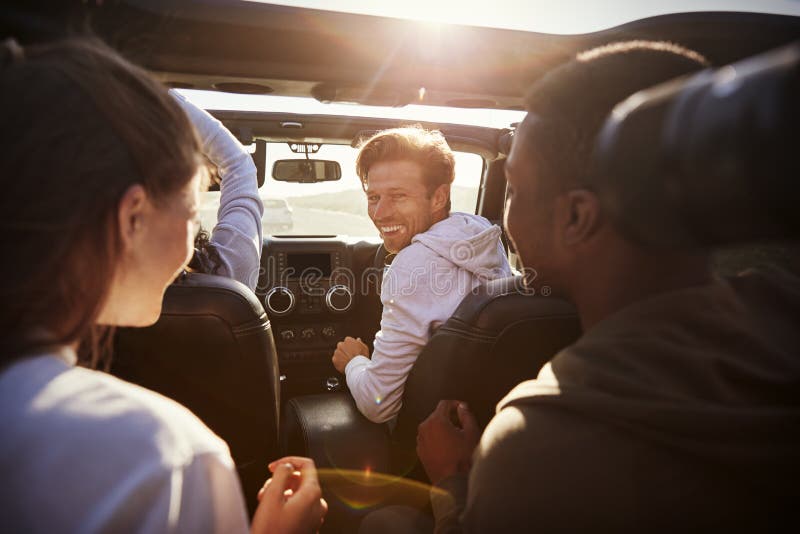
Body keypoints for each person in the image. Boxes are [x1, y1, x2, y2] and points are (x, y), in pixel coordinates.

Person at [414, 40, 800, 532]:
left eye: (512, 188)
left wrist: (453, 481)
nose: (505, 212)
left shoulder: (535, 445)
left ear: (575, 216)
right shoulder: (782, 312)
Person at [0, 37, 325, 532]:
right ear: (132, 217)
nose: (193, 238)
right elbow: (238, 166)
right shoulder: (164, 456)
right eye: (194, 213)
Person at [332, 126, 512, 423]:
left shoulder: (411, 266)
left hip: (421, 438)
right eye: (374, 197)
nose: (380, 214)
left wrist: (354, 362)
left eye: (398, 196)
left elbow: (379, 405)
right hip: (485, 419)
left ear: (439, 197)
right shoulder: (481, 237)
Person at [172, 90, 264, 291]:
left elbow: (238, 164)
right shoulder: (229, 275)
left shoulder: (101, 277)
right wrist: (161, 96)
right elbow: (240, 164)